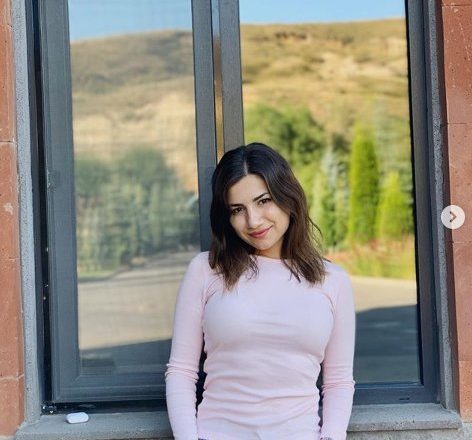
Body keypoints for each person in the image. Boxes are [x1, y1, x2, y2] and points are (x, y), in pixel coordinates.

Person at [165, 142, 356, 440]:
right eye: (237, 210)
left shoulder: (332, 280)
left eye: (263, 200)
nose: (253, 221)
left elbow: (338, 381)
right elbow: (181, 371)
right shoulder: (206, 270)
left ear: (288, 197)